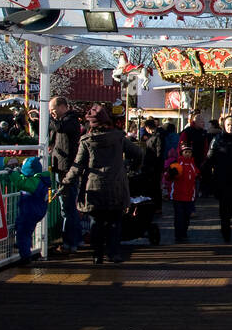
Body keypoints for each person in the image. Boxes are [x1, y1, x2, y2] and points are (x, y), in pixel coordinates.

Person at [62, 104, 143, 265]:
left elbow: (78, 165)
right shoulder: (119, 138)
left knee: (96, 223)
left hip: (94, 186)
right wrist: (131, 168)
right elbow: (138, 153)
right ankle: (114, 253)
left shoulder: (87, 140)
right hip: (117, 185)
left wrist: (66, 182)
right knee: (115, 221)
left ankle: (97, 254)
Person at [48, 96, 84, 255]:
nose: (52, 114)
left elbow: (59, 127)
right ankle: (75, 239)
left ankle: (70, 242)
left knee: (67, 207)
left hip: (66, 169)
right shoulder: (65, 121)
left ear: (63, 107)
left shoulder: (70, 121)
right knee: (68, 207)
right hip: (61, 167)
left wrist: (48, 118)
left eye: (53, 111)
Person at [206, 114, 232, 243]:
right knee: (223, 202)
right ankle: (225, 224)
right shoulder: (218, 139)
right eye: (228, 125)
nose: (230, 127)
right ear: (224, 125)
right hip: (221, 175)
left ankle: (227, 220)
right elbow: (210, 156)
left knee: (230, 203)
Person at [5, 156, 52, 265]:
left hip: (30, 212)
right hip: (36, 211)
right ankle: (23, 245)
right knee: (25, 229)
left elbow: (20, 183)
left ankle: (25, 257)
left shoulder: (33, 183)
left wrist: (12, 173)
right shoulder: (41, 179)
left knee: (24, 233)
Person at [165, 146, 199, 243]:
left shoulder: (193, 164)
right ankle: (178, 235)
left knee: (186, 217)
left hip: (189, 196)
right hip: (177, 195)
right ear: (182, 153)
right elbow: (167, 177)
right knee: (179, 216)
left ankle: (184, 232)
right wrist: (170, 174)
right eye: (186, 152)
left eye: (189, 152)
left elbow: (197, 175)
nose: (188, 154)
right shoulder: (177, 164)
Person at [139, 118, 165, 213]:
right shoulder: (155, 136)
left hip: (154, 166)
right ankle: (154, 206)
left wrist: (155, 165)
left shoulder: (156, 136)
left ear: (147, 127)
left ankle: (156, 206)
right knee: (153, 187)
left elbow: (159, 152)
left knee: (155, 187)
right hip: (152, 165)